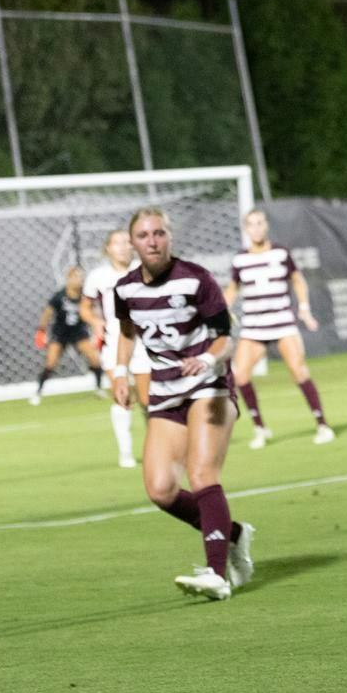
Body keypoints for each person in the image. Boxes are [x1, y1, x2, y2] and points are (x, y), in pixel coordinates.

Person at [110, 207, 253, 601]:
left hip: (210, 385)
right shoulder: (124, 290)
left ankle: (217, 573)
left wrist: (206, 359)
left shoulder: (195, 279)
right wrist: (120, 373)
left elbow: (226, 336)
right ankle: (233, 534)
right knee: (160, 489)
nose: (152, 241)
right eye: (143, 235)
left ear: (169, 238)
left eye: (159, 233)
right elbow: (126, 332)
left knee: (202, 474)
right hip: (165, 390)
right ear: (132, 242)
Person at [223, 208, 333, 449]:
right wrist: (222, 308)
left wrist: (304, 308)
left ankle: (322, 425)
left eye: (260, 223)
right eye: (251, 224)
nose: (256, 228)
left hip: (282, 323)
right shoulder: (240, 259)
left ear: (266, 226)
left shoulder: (281, 253)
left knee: (299, 371)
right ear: (246, 228)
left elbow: (297, 279)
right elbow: (232, 288)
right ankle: (260, 428)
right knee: (240, 375)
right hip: (253, 326)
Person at [81, 228, 145, 468]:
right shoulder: (99, 276)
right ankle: (126, 452)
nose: (122, 246)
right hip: (114, 339)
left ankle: (159, 445)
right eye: (116, 243)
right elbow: (85, 308)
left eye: (127, 242)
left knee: (147, 398)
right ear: (108, 248)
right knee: (121, 393)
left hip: (143, 338)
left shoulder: (143, 269)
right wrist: (96, 321)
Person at [30, 266, 100, 404]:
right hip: (60, 333)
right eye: (76, 277)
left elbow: (93, 311)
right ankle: (38, 392)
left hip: (79, 332)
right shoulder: (60, 296)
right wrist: (41, 330)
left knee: (95, 358)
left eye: (81, 277)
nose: (79, 280)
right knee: (51, 362)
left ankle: (98, 388)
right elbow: (47, 313)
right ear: (69, 279)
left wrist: (96, 330)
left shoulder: (84, 296)